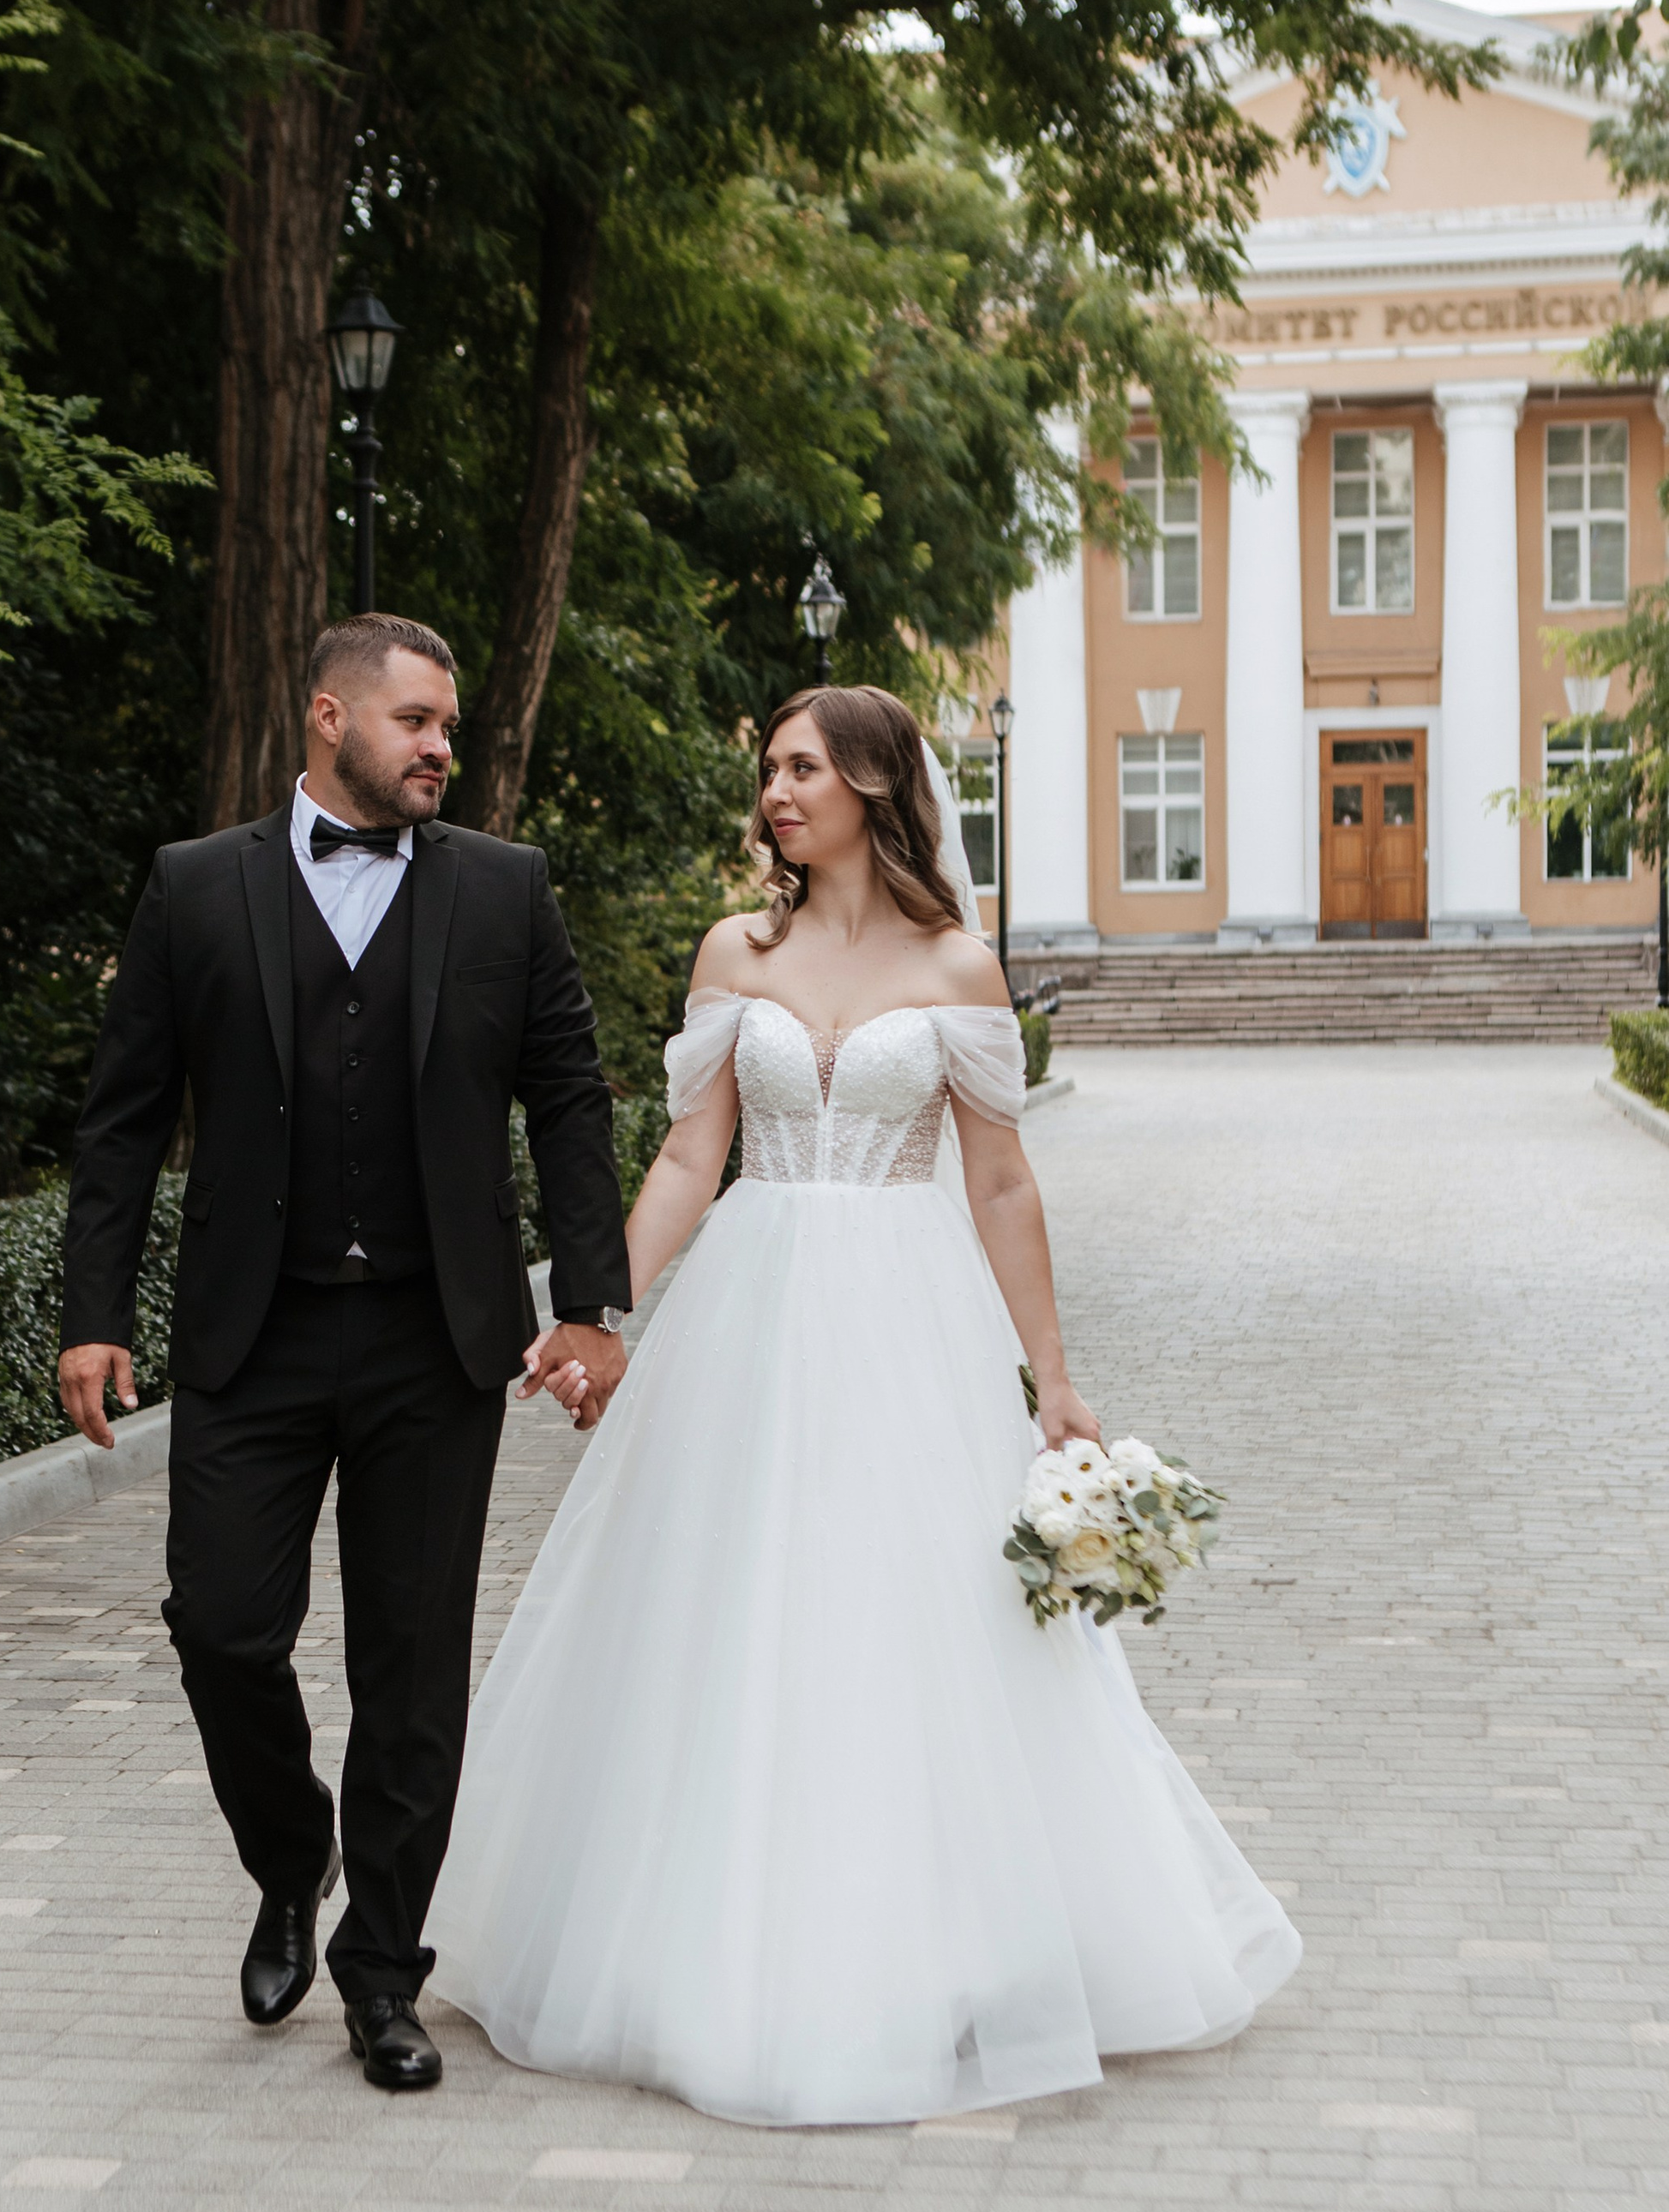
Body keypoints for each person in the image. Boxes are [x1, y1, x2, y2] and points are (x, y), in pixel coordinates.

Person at [430, 683, 1300, 2126]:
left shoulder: (960, 969)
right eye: (770, 768)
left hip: (910, 1314)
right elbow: (686, 1161)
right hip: (750, 1310)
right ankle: (704, 1942)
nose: (776, 791)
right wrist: (602, 1316)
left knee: (909, 1620)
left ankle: (937, 1949)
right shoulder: (736, 950)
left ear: (879, 789)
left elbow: (1003, 1181)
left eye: (804, 768)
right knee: (730, 1608)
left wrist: (1056, 1380)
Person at [57, 615, 631, 2091]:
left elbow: (569, 1092)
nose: (443, 745)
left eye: (449, 725)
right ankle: (288, 1850)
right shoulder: (197, 889)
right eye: (418, 722)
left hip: (437, 1341)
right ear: (330, 719)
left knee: (411, 1665)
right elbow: (124, 1117)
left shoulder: (506, 892)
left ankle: (384, 1972)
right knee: (221, 1627)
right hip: (255, 1334)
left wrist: (588, 1301)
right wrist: (93, 1313)